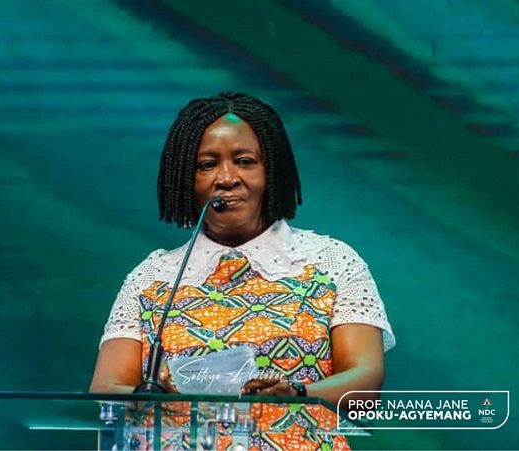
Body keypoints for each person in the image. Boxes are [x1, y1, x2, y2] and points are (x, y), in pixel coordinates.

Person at [90, 92, 395, 449]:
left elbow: (365, 383)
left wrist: (298, 393)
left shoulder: (331, 263)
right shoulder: (153, 278)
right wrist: (154, 394)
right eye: (207, 165)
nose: (226, 178)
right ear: (184, 178)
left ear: (272, 170)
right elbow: (105, 388)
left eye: (245, 161)